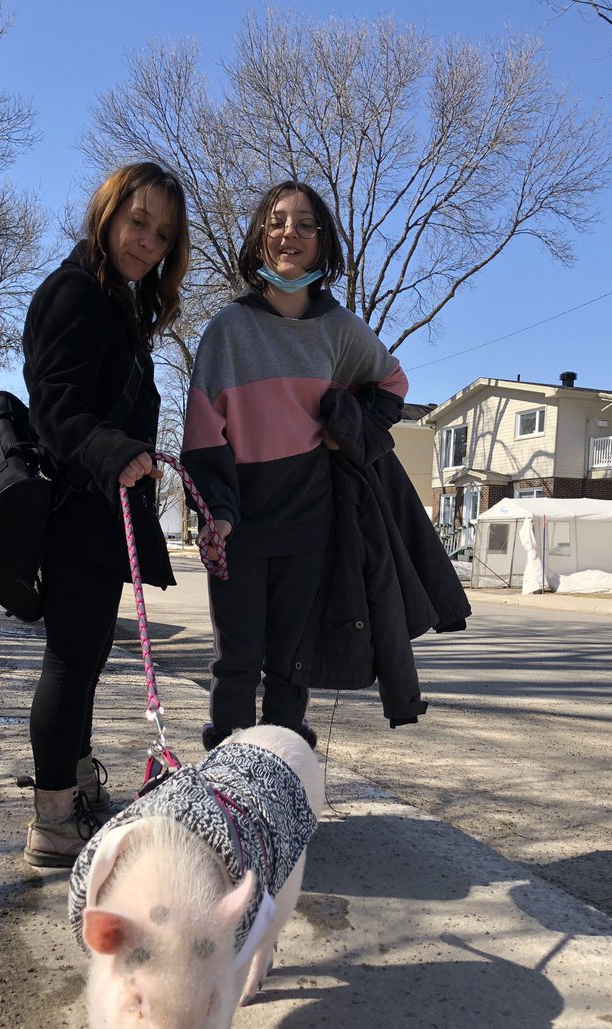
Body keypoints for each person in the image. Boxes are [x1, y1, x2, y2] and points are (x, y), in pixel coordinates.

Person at [181, 180, 408, 751]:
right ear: (260, 235)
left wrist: (348, 433)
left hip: (311, 519)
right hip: (238, 522)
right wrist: (218, 512)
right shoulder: (227, 329)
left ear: (323, 242)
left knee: (290, 661)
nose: (290, 233)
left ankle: (281, 775)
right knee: (236, 660)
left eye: (306, 224)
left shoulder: (339, 330)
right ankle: (225, 784)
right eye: (278, 221)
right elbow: (204, 436)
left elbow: (393, 383)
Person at [21, 161, 190, 868]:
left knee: (85, 658)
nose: (145, 240)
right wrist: (108, 448)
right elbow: (54, 402)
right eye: (136, 220)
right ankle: (54, 817)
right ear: (108, 211)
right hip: (76, 509)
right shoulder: (73, 292)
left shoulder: (117, 304)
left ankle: (77, 784)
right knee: (69, 659)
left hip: (100, 512)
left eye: (161, 233)